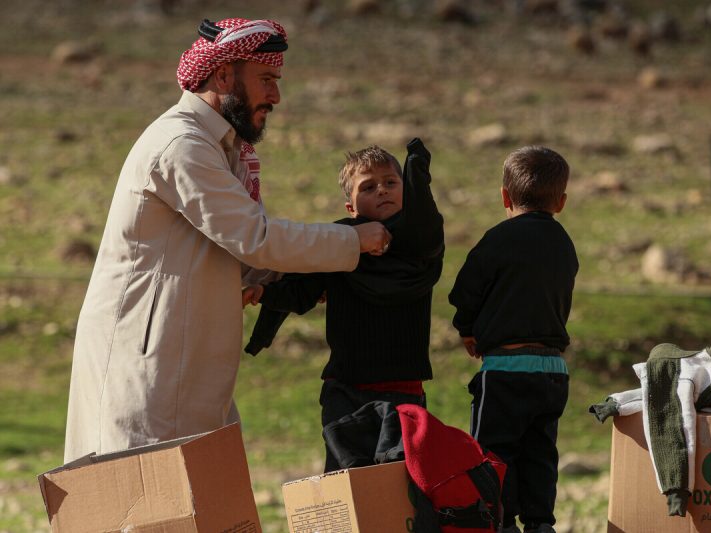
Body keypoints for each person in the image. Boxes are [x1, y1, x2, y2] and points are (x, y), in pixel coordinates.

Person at [63, 17, 391, 463]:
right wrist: (354, 242)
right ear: (222, 75)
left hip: (186, 362)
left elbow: (232, 248)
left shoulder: (218, 146)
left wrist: (279, 281)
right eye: (266, 80)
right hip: (148, 365)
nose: (275, 96)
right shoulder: (182, 144)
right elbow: (253, 236)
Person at [244, 139, 444, 472]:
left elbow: (427, 225)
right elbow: (302, 290)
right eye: (368, 186)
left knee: (399, 486)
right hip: (346, 392)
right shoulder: (338, 244)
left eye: (391, 182)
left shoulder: (421, 248)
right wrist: (263, 292)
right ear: (350, 206)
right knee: (347, 484)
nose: (382, 190)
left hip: (404, 392)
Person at [448, 146, 579, 533]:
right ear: (561, 202)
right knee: (540, 452)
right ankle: (540, 523)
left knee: (494, 453)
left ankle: (498, 524)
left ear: (505, 196)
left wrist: (467, 329)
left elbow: (465, 291)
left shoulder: (497, 239)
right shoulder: (564, 245)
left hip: (504, 370)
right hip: (553, 370)